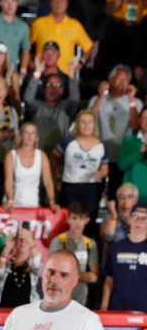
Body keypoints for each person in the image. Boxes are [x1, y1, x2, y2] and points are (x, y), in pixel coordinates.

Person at [89, 66, 141, 201]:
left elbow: (136, 127)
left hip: (122, 158)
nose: (123, 83)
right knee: (93, 196)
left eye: (126, 80)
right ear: (110, 81)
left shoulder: (136, 102)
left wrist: (131, 100)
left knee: (116, 198)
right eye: (119, 79)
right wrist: (100, 97)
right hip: (100, 157)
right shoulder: (97, 99)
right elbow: (89, 120)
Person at [52, 110, 108, 218]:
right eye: (83, 122)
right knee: (67, 219)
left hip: (90, 188)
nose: (86, 125)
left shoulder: (102, 146)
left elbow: (105, 169)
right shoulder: (68, 142)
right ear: (77, 125)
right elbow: (54, 156)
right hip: (70, 186)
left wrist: (101, 173)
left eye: (89, 122)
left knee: (88, 220)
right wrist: (58, 175)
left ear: (95, 125)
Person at [28, 0, 94, 74]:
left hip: (66, 75)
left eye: (62, 0)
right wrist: (31, 64)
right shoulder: (38, 24)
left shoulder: (75, 25)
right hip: (43, 74)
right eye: (56, 0)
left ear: (67, 3)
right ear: (50, 3)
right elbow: (25, 47)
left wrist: (81, 63)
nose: (59, 3)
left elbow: (88, 47)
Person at [49, 201, 100, 306]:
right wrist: (84, 275)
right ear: (68, 219)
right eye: (74, 218)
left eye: (81, 218)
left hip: (82, 298)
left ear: (87, 220)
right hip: (60, 296)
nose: (77, 222)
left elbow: (94, 277)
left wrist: (68, 274)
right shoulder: (59, 240)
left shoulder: (90, 244)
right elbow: (56, 272)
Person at [101, 201, 147, 311]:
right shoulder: (116, 248)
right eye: (135, 216)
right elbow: (109, 281)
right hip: (118, 309)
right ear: (129, 219)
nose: (138, 221)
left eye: (144, 218)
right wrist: (104, 307)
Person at [3, 122, 57, 211]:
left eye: (33, 133)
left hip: (33, 204)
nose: (29, 136)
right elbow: (9, 180)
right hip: (13, 205)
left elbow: (47, 181)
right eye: (26, 132)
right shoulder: (11, 155)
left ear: (37, 136)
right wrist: (10, 200)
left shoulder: (41, 155)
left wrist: (52, 202)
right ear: (21, 135)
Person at [0, 223, 44, 309]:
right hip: (4, 310)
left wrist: (30, 240)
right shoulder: (8, 262)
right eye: (20, 238)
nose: (23, 242)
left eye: (26, 239)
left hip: (28, 312)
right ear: (15, 240)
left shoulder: (32, 265)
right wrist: (7, 248)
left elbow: (38, 264)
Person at [117, 108, 147, 202]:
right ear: (139, 120)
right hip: (132, 199)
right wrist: (140, 151)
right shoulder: (129, 140)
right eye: (145, 117)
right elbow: (122, 165)